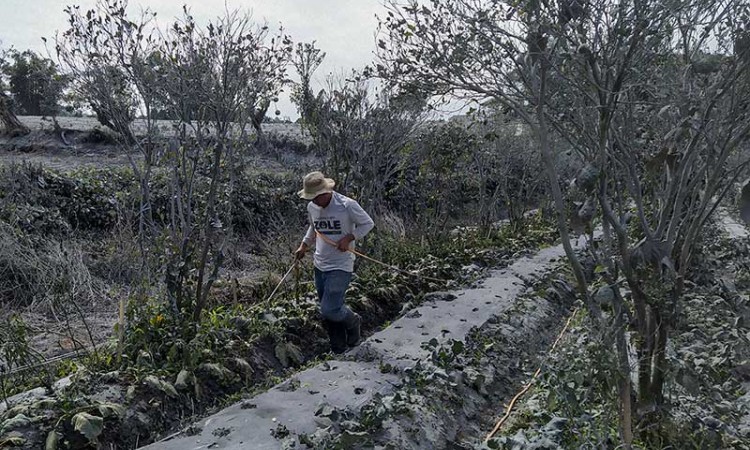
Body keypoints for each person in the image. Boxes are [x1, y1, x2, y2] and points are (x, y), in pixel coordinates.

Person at [294, 171, 375, 354]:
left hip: (341, 264)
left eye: (315, 197)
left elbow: (367, 223)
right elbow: (314, 228)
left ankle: (354, 321)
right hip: (320, 263)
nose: (313, 201)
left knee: (330, 309)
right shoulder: (312, 208)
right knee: (328, 310)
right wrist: (304, 245)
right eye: (310, 198)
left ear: (325, 193)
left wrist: (350, 238)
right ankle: (338, 347)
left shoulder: (346, 205)